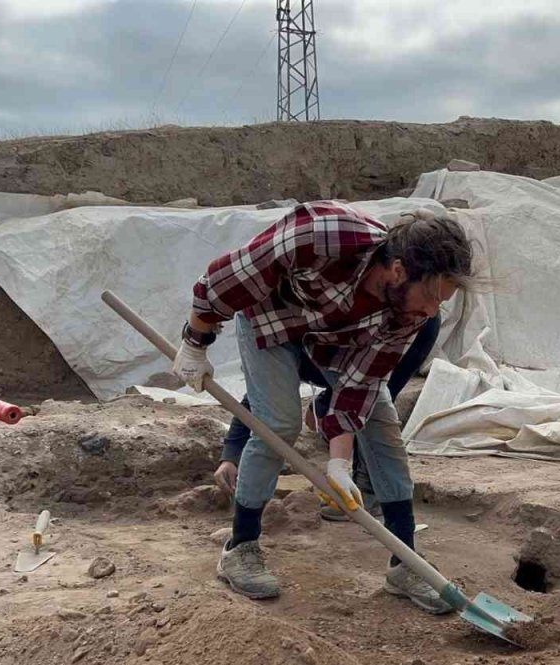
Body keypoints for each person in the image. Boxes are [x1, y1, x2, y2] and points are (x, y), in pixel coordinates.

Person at [172, 201, 472, 614]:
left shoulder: (409, 312)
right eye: (431, 296)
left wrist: (340, 464)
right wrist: (195, 342)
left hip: (338, 342)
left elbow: (360, 384)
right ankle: (240, 548)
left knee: (382, 423)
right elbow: (221, 283)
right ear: (398, 270)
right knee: (277, 421)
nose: (433, 312)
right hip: (272, 324)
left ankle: (406, 565)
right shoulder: (322, 236)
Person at [214, 313, 441, 521]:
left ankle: (369, 492)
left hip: (404, 333)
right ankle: (243, 538)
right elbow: (260, 396)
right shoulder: (283, 340)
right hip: (332, 342)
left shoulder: (350, 330)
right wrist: (231, 455)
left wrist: (336, 457)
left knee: (376, 413)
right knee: (283, 421)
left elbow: (364, 389)